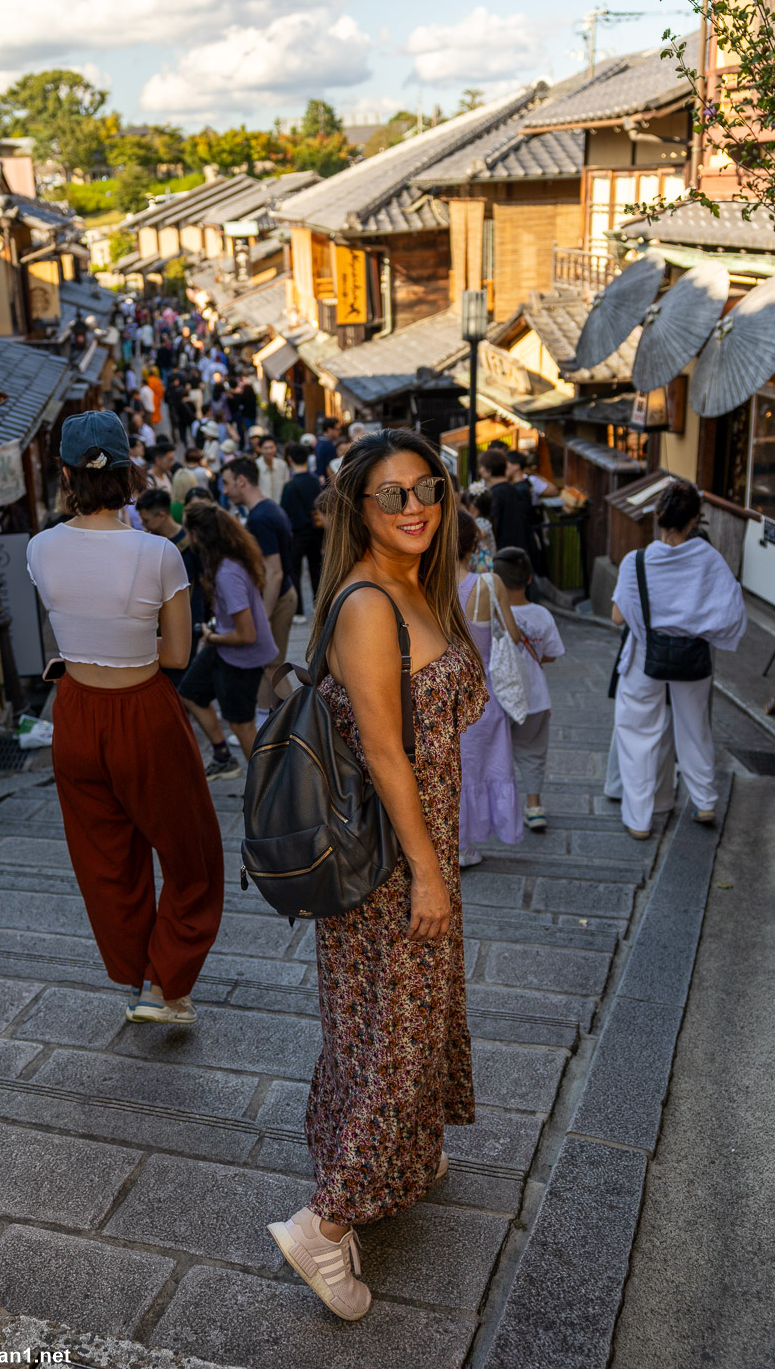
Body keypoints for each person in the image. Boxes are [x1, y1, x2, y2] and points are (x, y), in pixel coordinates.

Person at [265, 429, 486, 1320]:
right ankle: (324, 1226)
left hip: (415, 851)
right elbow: (388, 755)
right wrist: (429, 878)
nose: (414, 508)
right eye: (390, 494)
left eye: (425, 488)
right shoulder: (367, 603)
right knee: (395, 1037)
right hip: (394, 863)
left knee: (389, 1024)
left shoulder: (416, 585)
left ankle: (401, 1153)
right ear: (357, 506)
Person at [26, 412, 223, 1025]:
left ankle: (141, 980)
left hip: (76, 714)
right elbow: (177, 655)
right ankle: (168, 981)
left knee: (108, 862)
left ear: (64, 475)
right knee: (192, 854)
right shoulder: (159, 552)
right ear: (129, 472)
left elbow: (72, 624)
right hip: (143, 711)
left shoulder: (38, 548)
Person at [611, 478, 746, 838]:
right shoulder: (710, 560)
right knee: (695, 727)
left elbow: (618, 617)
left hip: (645, 655)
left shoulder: (635, 561)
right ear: (694, 520)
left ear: (657, 515)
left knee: (638, 734)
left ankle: (639, 819)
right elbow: (732, 613)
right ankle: (704, 801)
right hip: (693, 658)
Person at [178, 501, 276, 778]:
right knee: (190, 692)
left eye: (187, 529)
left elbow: (247, 634)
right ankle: (223, 757)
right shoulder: (227, 561)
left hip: (241, 656)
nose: (185, 535)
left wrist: (213, 636)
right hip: (226, 649)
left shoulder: (227, 573)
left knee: (242, 724)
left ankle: (266, 787)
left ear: (199, 534)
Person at [455, 510, 524, 865]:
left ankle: (448, 841)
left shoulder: (423, 586)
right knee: (481, 768)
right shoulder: (489, 584)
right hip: (481, 695)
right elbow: (511, 634)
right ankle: (468, 844)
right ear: (475, 543)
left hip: (440, 697)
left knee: (449, 770)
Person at [493, 547, 565, 832]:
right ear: (530, 580)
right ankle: (534, 806)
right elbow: (551, 654)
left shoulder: (490, 614)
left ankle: (499, 809)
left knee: (498, 755)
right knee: (533, 754)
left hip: (499, 698)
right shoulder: (542, 614)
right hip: (535, 698)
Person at [220, 456, 297, 714]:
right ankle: (270, 723)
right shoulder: (267, 510)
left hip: (279, 598)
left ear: (242, 481)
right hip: (282, 596)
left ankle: (295, 721)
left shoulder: (260, 518)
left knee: (271, 666)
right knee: (269, 666)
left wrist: (262, 615)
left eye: (227, 483)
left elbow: (274, 573)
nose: (225, 490)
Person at [135, 488, 206, 681]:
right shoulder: (148, 542)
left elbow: (205, 581)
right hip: (155, 623)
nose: (143, 524)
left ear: (162, 515)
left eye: (147, 520)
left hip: (187, 621)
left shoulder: (190, 543)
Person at [477, 449, 536, 577]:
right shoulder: (512, 489)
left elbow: (494, 525)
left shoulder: (496, 494)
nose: (480, 470)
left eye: (482, 467)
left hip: (504, 552)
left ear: (489, 470)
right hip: (520, 548)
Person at [281, 442, 323, 616]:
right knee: (317, 569)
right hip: (316, 531)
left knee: (295, 571)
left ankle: (298, 612)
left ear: (289, 459)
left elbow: (284, 512)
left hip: (296, 534)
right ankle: (319, 606)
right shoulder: (317, 481)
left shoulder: (289, 486)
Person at [460, 485, 496, 572]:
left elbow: (477, 535)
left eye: (463, 507)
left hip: (484, 562)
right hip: (480, 561)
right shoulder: (481, 521)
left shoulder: (482, 522)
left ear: (472, 507)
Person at [256, 434, 289, 503]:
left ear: (276, 447)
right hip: (262, 505)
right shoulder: (256, 466)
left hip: (279, 506)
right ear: (260, 449)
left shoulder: (282, 465)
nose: (269, 451)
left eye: (271, 447)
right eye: (266, 448)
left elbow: (286, 484)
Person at [314, 417, 340, 482]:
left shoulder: (319, 442)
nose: (340, 431)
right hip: (328, 484)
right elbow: (330, 468)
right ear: (329, 430)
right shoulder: (328, 446)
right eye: (337, 429)